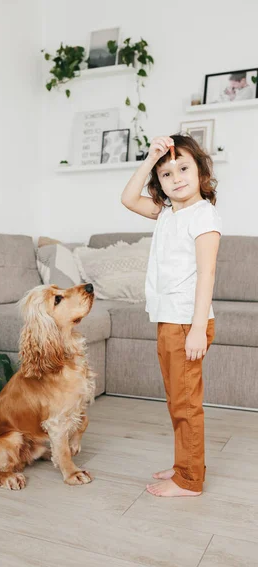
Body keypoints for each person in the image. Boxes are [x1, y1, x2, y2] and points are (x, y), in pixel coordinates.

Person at [121, 134, 222, 497]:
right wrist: (151, 158)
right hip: (168, 320)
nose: (176, 177)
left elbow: (206, 274)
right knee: (176, 399)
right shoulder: (166, 212)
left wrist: (197, 329)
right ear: (159, 183)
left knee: (186, 403)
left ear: (200, 171)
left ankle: (190, 481)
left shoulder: (204, 214)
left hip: (186, 322)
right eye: (166, 174)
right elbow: (127, 198)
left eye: (183, 168)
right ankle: (185, 465)